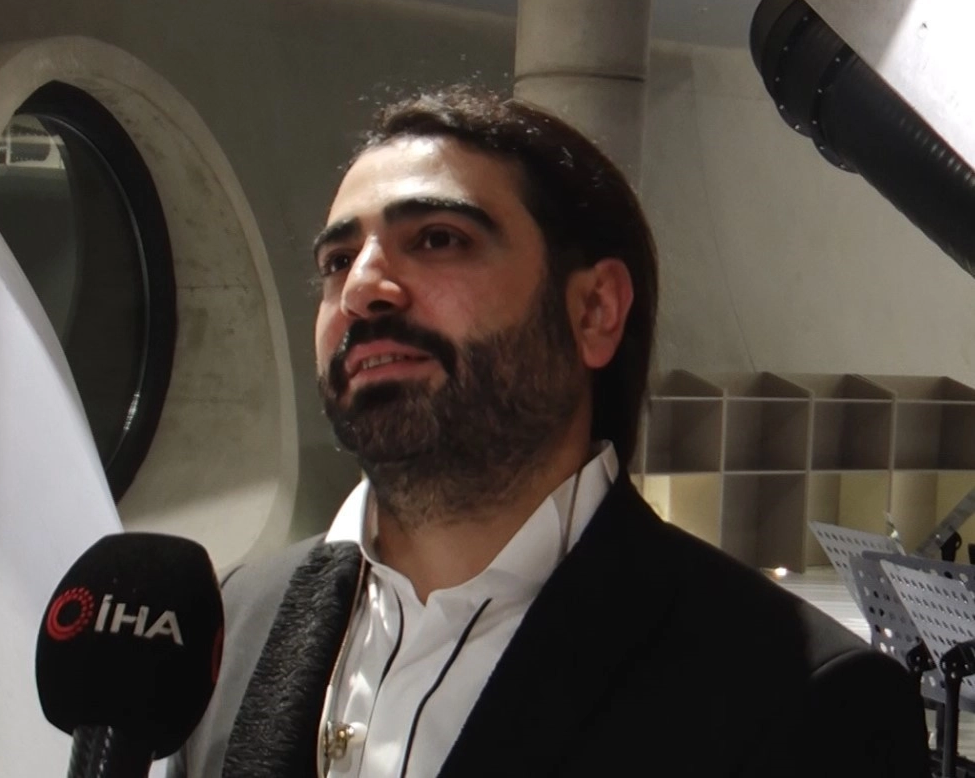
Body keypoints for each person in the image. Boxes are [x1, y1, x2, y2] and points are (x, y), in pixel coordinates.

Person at [169, 86, 929, 778]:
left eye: (438, 239)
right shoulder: (233, 620)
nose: (362, 287)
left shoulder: (797, 695)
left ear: (594, 311)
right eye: (338, 260)